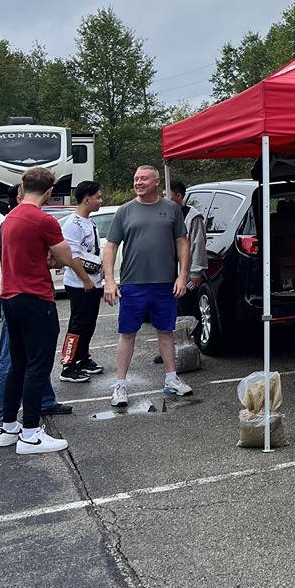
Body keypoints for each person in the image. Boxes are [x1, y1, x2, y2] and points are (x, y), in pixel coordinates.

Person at [0, 167, 77, 454]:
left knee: (18, 364)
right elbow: (65, 256)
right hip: (35, 298)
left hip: (10, 297)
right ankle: (30, 433)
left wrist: (45, 257)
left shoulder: (10, 218)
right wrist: (53, 258)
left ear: (23, 188)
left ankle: (8, 426)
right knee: (38, 365)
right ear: (49, 192)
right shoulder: (42, 219)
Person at [102, 164, 193, 407]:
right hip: (133, 284)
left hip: (165, 283)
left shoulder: (172, 209)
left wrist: (183, 275)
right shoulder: (125, 211)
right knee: (127, 333)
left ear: (156, 183)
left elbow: (182, 243)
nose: (138, 182)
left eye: (144, 179)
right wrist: (109, 280)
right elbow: (110, 246)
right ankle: (120, 385)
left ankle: (171, 378)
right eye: (136, 179)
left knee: (166, 331)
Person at [153, 177, 206, 364]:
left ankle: (190, 349)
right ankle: (168, 350)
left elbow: (198, 245)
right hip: (165, 272)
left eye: (167, 195)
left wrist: (196, 272)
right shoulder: (163, 215)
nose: (163, 199)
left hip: (186, 272)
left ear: (178, 196)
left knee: (187, 311)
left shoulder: (192, 216)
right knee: (167, 311)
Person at [59, 180, 106, 382]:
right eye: (98, 197)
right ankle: (68, 365)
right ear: (87, 200)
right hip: (79, 284)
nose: (101, 201)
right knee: (78, 324)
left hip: (94, 282)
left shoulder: (90, 222)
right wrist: (86, 280)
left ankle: (83, 358)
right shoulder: (73, 224)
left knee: (89, 323)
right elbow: (72, 256)